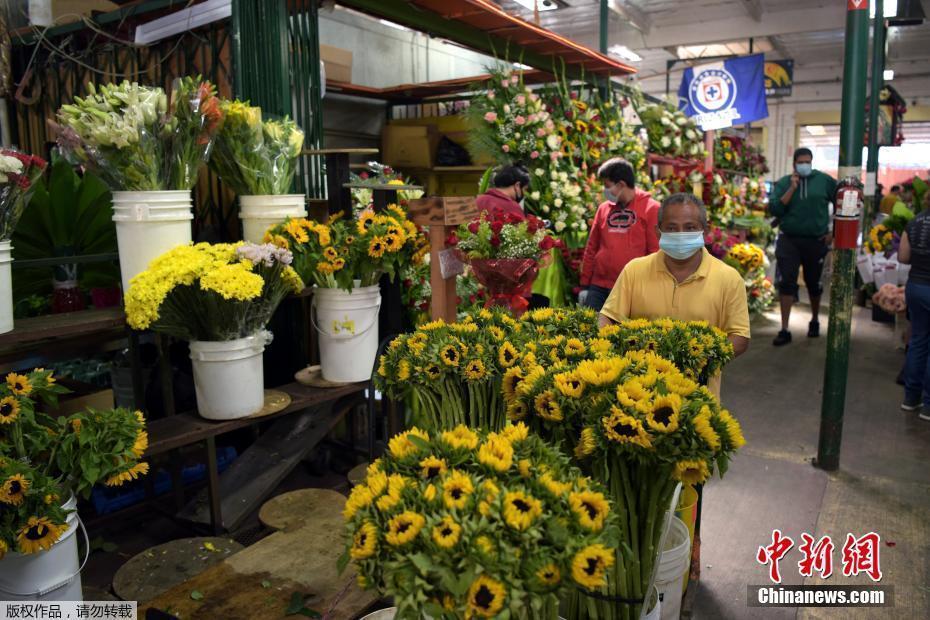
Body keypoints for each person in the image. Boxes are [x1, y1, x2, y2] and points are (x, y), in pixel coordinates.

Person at [599, 192, 750, 398]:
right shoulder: (634, 270)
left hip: (699, 398)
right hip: (637, 393)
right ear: (658, 232)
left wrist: (698, 360)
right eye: (671, 228)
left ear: (704, 231)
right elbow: (608, 317)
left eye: (689, 228)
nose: (680, 234)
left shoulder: (729, 279)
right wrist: (621, 355)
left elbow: (740, 337)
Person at [769, 147, 837, 346]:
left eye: (808, 161)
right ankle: (784, 329)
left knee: (813, 283)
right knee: (787, 283)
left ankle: (814, 320)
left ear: (812, 162)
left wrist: (834, 232)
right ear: (795, 164)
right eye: (801, 162)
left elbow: (841, 203)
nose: (804, 165)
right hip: (789, 239)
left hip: (816, 240)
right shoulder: (784, 183)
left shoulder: (824, 181)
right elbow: (774, 208)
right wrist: (792, 187)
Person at [578, 157, 660, 311]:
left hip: (632, 287)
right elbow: (591, 247)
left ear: (621, 184)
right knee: (590, 331)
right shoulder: (603, 209)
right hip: (598, 287)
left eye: (607, 186)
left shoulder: (651, 209)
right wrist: (584, 285)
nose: (605, 191)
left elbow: (655, 252)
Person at [899, 204, 930, 421]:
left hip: (916, 287)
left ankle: (911, 398)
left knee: (918, 340)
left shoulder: (914, 222)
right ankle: (928, 406)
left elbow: (902, 257)